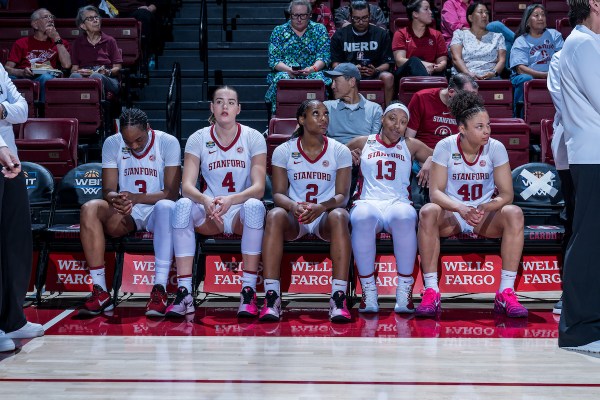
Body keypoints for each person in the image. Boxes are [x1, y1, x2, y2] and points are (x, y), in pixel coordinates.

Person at [416, 91, 527, 318]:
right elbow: (435, 192)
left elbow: (507, 194)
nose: (486, 131)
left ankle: (505, 292)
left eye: (488, 125)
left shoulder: (495, 147)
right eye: (479, 127)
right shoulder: (445, 146)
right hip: (453, 215)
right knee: (427, 211)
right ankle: (431, 291)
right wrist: (460, 208)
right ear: (462, 129)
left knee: (514, 213)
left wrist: (488, 206)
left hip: (482, 216)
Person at [170, 86, 267, 319]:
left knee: (255, 206)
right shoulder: (198, 138)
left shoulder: (253, 137)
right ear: (212, 108)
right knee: (182, 205)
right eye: (220, 101)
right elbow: (187, 186)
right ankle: (184, 292)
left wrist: (232, 199)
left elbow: (259, 188)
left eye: (231, 102)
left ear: (239, 109)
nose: (225, 106)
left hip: (239, 211)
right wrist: (204, 200)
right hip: (210, 212)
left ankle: (248, 291)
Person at [78, 108, 181, 316]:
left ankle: (159, 290)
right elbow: (107, 190)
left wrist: (137, 197)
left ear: (148, 129)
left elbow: (171, 194)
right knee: (89, 209)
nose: (133, 145)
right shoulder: (112, 143)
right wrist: (117, 200)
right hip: (128, 211)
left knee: (166, 207)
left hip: (157, 210)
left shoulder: (168, 142)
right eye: (128, 142)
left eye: (139, 140)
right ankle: (101, 291)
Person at [260, 99, 352, 323]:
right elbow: (278, 194)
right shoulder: (284, 151)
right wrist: (293, 206)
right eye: (316, 114)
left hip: (325, 217)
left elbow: (342, 195)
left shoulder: (340, 150)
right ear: (301, 120)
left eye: (326, 114)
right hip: (296, 217)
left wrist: (322, 207)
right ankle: (272, 296)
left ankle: (338, 297)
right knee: (273, 214)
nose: (323, 119)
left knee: (341, 215)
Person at [347, 102, 433, 313]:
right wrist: (347, 157)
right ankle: (368, 291)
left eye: (403, 122)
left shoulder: (411, 144)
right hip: (368, 201)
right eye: (393, 119)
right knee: (361, 218)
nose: (397, 125)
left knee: (405, 216)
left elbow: (442, 155)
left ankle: (404, 292)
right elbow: (334, 154)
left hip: (398, 202)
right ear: (382, 119)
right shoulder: (363, 142)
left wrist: (430, 160)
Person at [557, 0, 600, 354]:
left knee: (591, 241)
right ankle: (579, 331)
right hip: (593, 153)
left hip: (589, 153)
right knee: (588, 241)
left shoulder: (584, 42)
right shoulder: (583, 43)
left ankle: (588, 324)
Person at [0, 63, 44, 353]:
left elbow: (23, 109)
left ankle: (12, 318)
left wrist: (2, 111)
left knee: (15, 243)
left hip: (10, 162)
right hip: (3, 154)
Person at [405, 73, 478, 183]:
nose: (470, 102)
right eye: (466, 97)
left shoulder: (469, 107)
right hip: (422, 158)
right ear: (451, 92)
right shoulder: (422, 98)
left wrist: (434, 160)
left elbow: (469, 145)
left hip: (453, 158)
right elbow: (408, 140)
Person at [265, 0, 331, 113]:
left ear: (310, 15)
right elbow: (274, 60)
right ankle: (279, 116)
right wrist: (289, 70)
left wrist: (311, 69)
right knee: (282, 79)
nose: (299, 19)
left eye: (303, 15)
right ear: (290, 15)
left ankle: (319, 115)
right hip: (286, 71)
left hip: (312, 71)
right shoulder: (279, 31)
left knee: (318, 80)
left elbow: (324, 57)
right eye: (295, 15)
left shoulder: (319, 30)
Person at [330, 0, 395, 105]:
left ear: (370, 16)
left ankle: (387, 111)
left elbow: (387, 63)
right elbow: (335, 64)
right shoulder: (340, 35)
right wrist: (352, 69)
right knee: (337, 77)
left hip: (374, 72)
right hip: (349, 75)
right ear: (351, 17)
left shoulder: (381, 34)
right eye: (357, 18)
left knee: (388, 77)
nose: (361, 22)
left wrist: (376, 70)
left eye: (364, 18)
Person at [547, 50, 571, 316]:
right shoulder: (560, 58)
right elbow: (565, 107)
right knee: (575, 222)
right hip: (574, 151)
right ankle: (572, 292)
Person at [4, 8, 71, 102]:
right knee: (6, 79)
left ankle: (43, 112)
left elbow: (67, 65)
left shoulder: (60, 43)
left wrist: (57, 39)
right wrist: (22, 72)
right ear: (35, 24)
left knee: (46, 77)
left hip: (47, 76)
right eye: (46, 17)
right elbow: (7, 68)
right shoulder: (21, 43)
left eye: (51, 17)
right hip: (24, 76)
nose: (51, 20)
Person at [509, 3, 563, 117]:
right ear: (527, 21)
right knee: (525, 78)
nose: (541, 18)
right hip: (529, 76)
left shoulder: (554, 35)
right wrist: (543, 75)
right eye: (536, 15)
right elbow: (520, 68)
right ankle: (519, 116)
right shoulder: (521, 40)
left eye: (543, 15)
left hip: (552, 74)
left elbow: (563, 58)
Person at [323, 63, 383, 145]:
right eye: (332, 81)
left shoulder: (374, 110)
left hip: (363, 155)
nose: (332, 86)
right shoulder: (326, 107)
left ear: (352, 82)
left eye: (336, 81)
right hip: (334, 155)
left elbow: (373, 144)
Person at [70, 6, 123, 97]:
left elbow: (117, 67)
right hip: (85, 76)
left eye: (96, 17)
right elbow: (74, 69)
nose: (95, 20)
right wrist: (79, 72)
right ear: (83, 26)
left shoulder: (110, 40)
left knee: (96, 77)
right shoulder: (77, 43)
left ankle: (99, 108)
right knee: (74, 77)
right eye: (90, 18)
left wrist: (107, 71)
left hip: (107, 77)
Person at [392, 0, 447, 80]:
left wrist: (435, 67)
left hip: (431, 73)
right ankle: (426, 86)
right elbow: (400, 61)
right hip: (406, 75)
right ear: (415, 14)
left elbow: (443, 62)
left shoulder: (437, 35)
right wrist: (424, 64)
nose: (430, 12)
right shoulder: (400, 34)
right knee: (414, 61)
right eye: (426, 9)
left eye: (430, 9)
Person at [449, 2, 506, 79]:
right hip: (464, 77)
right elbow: (456, 58)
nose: (485, 15)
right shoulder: (460, 34)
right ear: (470, 17)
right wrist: (468, 74)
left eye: (486, 13)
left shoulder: (498, 37)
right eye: (480, 12)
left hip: (491, 77)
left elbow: (502, 60)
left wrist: (493, 73)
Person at [441, 0, 514, 55]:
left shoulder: (474, 4)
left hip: (480, 37)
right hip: (458, 40)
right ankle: (521, 40)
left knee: (507, 44)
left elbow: (484, 23)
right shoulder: (450, 3)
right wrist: (475, 31)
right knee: (495, 25)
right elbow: (453, 26)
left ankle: (505, 72)